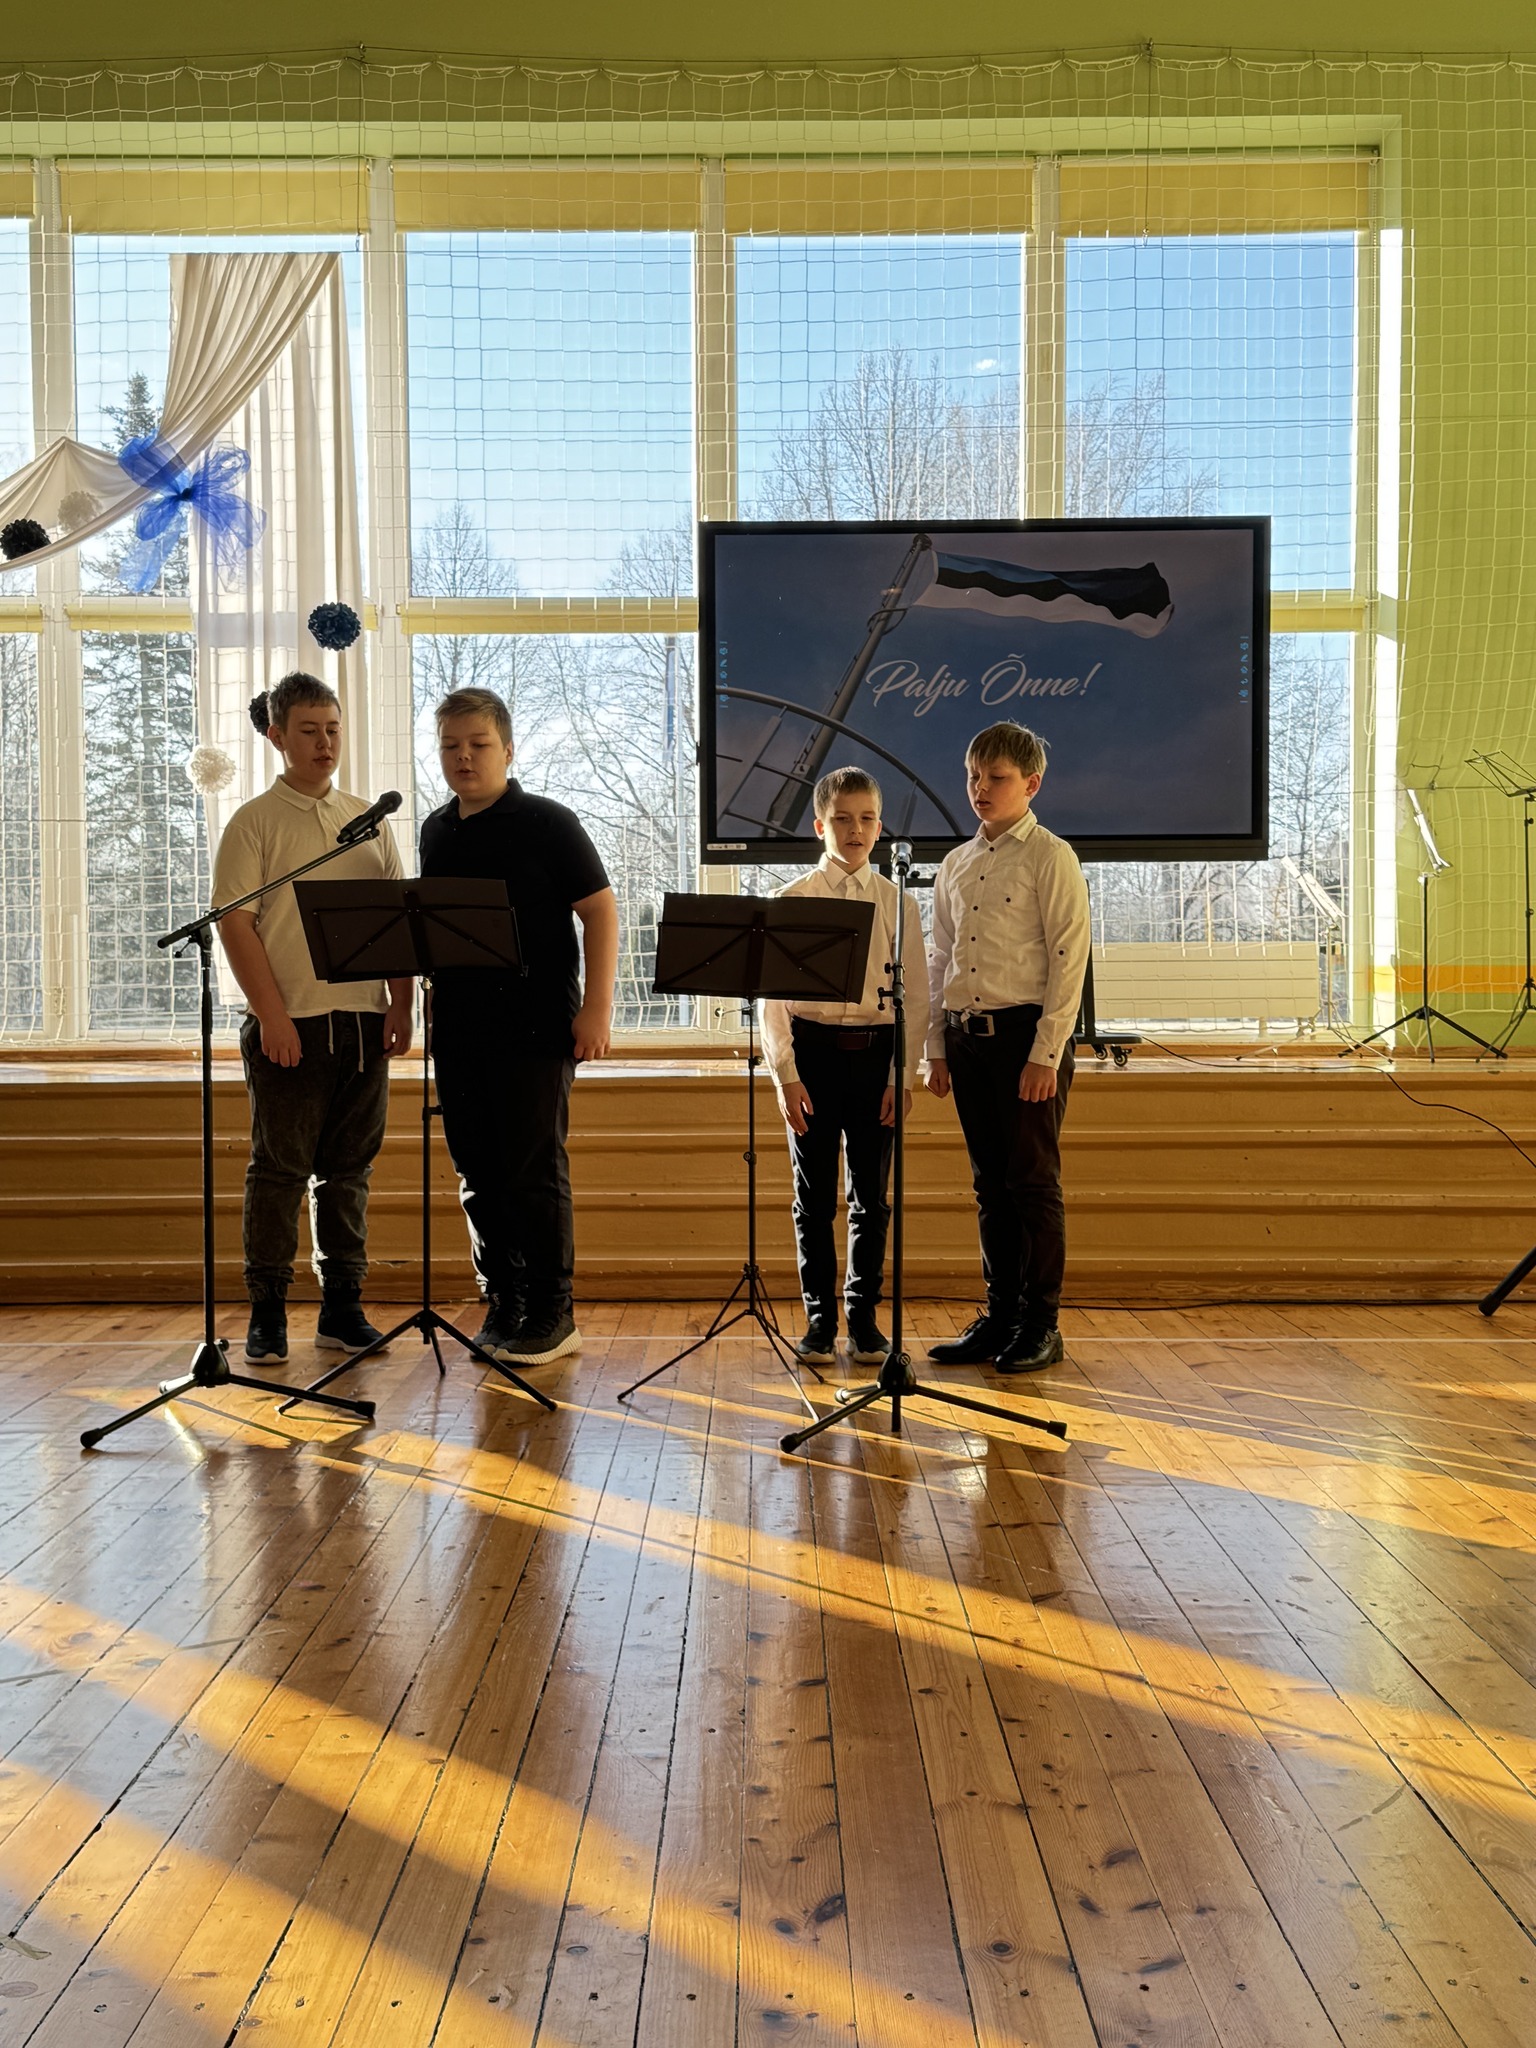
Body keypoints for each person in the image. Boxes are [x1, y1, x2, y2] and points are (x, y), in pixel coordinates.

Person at [214, 671, 414, 1366]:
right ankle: (267, 1311)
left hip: (362, 1023)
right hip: (289, 1025)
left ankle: (342, 1308)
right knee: (279, 1172)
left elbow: (398, 920)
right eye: (308, 731)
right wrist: (271, 1016)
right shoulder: (254, 822)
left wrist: (402, 1003)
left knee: (348, 1173)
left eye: (333, 729)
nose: (325, 742)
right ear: (277, 736)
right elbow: (235, 924)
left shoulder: (367, 820)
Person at [419, 687, 618, 1367]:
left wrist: (597, 1008)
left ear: (507, 750)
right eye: (450, 746)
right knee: (477, 1172)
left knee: (532, 1170)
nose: (463, 757)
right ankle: (503, 1301)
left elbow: (600, 912)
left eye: (478, 744)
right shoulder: (436, 830)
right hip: (460, 1028)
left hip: (537, 1026)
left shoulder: (548, 822)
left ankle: (553, 1312)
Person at [924, 721, 1090, 1373]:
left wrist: (1046, 1053)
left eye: (996, 777)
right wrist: (935, 1048)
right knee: (990, 1187)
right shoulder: (956, 864)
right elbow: (940, 959)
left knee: (1032, 1184)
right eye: (973, 776)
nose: (980, 788)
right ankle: (999, 1318)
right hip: (967, 1042)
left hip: (1026, 1041)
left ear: (1031, 784)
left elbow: (1068, 959)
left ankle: (1041, 1324)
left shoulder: (1051, 857)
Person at [762, 767, 930, 1368]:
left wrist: (900, 1077)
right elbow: (772, 1002)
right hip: (811, 1058)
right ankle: (819, 1321)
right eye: (841, 818)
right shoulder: (792, 901)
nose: (854, 829)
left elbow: (917, 999)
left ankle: (863, 1321)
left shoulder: (898, 904)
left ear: (880, 828)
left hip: (875, 1059)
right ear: (819, 826)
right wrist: (786, 1075)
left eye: (866, 818)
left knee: (871, 1200)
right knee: (813, 1200)